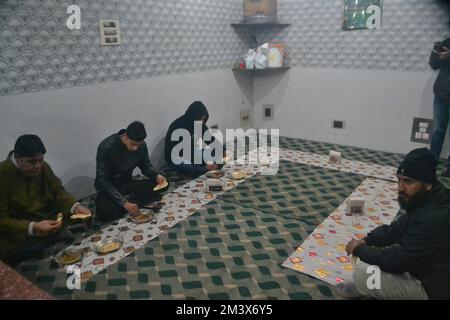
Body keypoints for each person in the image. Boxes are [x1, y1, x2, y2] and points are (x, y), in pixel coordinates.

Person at [337, 148, 450, 300]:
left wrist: (359, 249)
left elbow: (397, 262)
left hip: (433, 290)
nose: (400, 188)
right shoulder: (433, 196)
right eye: (399, 179)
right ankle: (368, 287)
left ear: (427, 183)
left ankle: (367, 288)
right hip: (425, 268)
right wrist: (368, 240)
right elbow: (397, 228)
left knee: (362, 273)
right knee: (370, 267)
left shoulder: (433, 218)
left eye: (408, 181)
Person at [0, 135, 92, 265]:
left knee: (81, 215)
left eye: (41, 160)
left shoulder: (43, 167)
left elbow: (58, 192)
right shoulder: (3, 174)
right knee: (12, 251)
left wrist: (75, 206)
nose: (38, 166)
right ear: (18, 159)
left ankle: (48, 239)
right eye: (32, 162)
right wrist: (33, 227)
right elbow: (3, 220)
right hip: (22, 228)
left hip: (47, 219)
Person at [95, 121, 167, 222]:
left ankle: (131, 201)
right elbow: (103, 180)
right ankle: (131, 202)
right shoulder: (106, 147)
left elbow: (146, 166)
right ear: (125, 136)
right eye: (133, 144)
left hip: (127, 184)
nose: (135, 148)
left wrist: (156, 176)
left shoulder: (141, 145)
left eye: (138, 144)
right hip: (109, 189)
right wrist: (123, 202)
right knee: (106, 212)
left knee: (163, 182)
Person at [165, 101, 225, 177]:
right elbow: (181, 153)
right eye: (200, 119)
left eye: (203, 119)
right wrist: (203, 164)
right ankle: (204, 169)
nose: (202, 121)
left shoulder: (199, 124)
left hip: (192, 152)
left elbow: (210, 139)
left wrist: (223, 150)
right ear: (193, 117)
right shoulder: (178, 126)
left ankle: (204, 167)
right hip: (176, 157)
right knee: (188, 166)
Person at [429, 16, 450, 178]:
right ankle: (431, 163)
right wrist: (435, 54)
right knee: (437, 131)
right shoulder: (446, 42)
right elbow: (434, 65)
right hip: (441, 93)